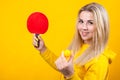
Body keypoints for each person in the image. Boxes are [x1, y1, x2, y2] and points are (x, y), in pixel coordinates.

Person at [33, 2, 116, 80]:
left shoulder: (100, 60)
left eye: (90, 23)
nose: (84, 27)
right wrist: (43, 49)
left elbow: (68, 72)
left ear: (101, 26)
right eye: (81, 21)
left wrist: (70, 75)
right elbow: (62, 66)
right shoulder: (79, 46)